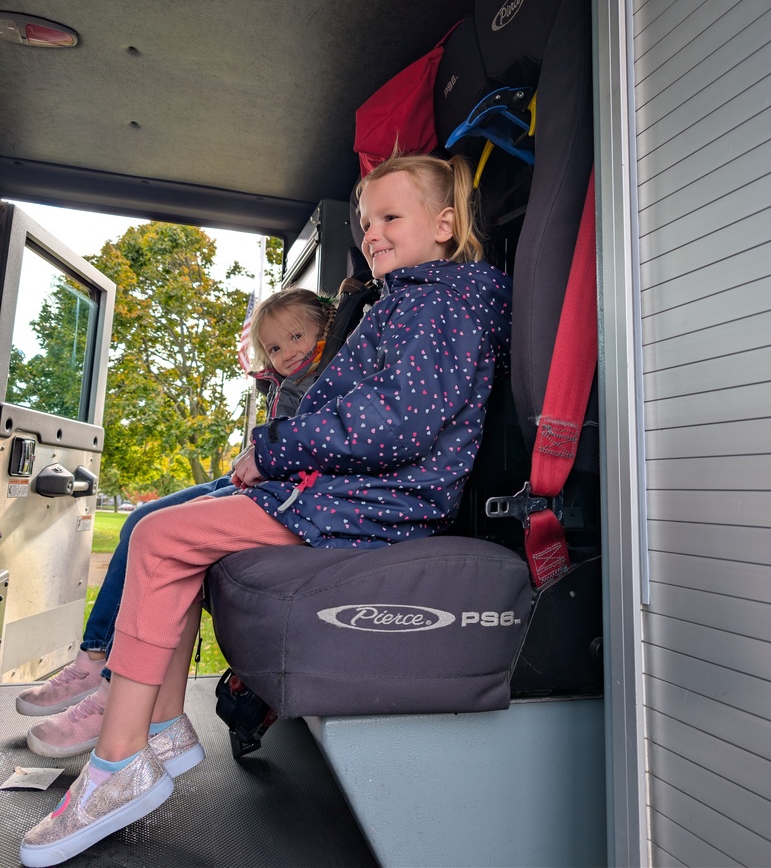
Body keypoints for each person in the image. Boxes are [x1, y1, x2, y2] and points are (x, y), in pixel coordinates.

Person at [19, 152, 513, 867]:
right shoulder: (409, 300)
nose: (372, 233)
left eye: (390, 217)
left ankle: (119, 762)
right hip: (352, 491)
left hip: (378, 502)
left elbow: (397, 425)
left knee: (159, 536)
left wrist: (276, 449)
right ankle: (160, 727)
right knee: (167, 535)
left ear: (444, 225)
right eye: (365, 221)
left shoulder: (438, 306)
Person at [15, 287, 336, 761]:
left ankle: (114, 694)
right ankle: (95, 656)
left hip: (282, 489)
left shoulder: (330, 376)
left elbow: (316, 445)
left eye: (296, 337)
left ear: (326, 330)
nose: (286, 352)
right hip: (255, 474)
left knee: (163, 536)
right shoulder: (285, 384)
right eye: (273, 347)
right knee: (142, 518)